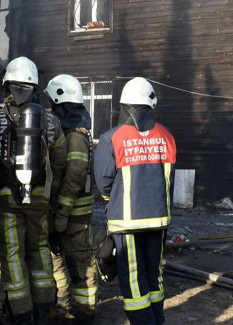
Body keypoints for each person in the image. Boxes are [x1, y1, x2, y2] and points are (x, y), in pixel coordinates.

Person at [0, 57, 67, 325]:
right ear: (35, 86)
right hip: (39, 200)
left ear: (7, 85)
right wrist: (49, 196)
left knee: (12, 256)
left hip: (5, 199)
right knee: (40, 251)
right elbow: (59, 161)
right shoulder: (51, 121)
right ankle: (44, 312)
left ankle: (20, 316)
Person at [93, 77, 176, 325]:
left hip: (126, 223)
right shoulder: (167, 136)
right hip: (159, 221)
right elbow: (168, 180)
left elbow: (103, 182)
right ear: (151, 105)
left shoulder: (111, 138)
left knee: (132, 277)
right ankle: (156, 319)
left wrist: (113, 200)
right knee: (154, 274)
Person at [43, 74, 98, 324]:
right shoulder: (66, 130)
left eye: (52, 103)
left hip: (74, 213)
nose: (49, 108)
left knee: (79, 262)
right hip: (61, 211)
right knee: (55, 257)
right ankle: (63, 302)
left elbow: (75, 175)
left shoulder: (76, 135)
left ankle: (85, 310)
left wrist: (62, 213)